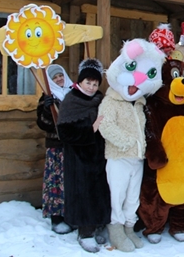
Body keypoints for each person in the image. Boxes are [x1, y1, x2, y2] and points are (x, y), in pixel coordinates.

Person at [57, 58, 111, 253]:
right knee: (84, 194)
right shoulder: (71, 100)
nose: (91, 87)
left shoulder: (101, 99)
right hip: (79, 158)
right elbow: (64, 132)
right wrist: (91, 128)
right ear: (80, 82)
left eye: (95, 83)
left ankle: (98, 225)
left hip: (99, 156)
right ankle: (84, 232)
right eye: (88, 82)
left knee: (100, 192)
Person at [36, 64, 73, 234]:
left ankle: (72, 215)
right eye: (55, 77)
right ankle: (57, 218)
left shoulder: (74, 93)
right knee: (56, 181)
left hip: (73, 146)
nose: (59, 79)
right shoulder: (47, 97)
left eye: (61, 75)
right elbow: (43, 124)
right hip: (56, 147)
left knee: (71, 182)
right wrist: (46, 109)